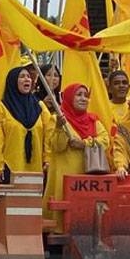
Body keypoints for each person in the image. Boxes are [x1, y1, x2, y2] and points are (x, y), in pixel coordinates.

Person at [45, 83, 110, 227]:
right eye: (78, 95)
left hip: (87, 179)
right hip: (64, 178)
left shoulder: (93, 120)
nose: (83, 99)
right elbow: (57, 146)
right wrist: (59, 128)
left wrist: (85, 144)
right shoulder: (57, 119)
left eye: (86, 95)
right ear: (68, 98)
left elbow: (105, 141)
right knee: (63, 218)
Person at [0, 64, 53, 173]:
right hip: (10, 170)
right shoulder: (2, 108)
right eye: (22, 76)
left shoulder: (40, 107)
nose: (27, 79)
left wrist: (47, 160)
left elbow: (49, 135)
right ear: (13, 81)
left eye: (28, 76)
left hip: (37, 170)